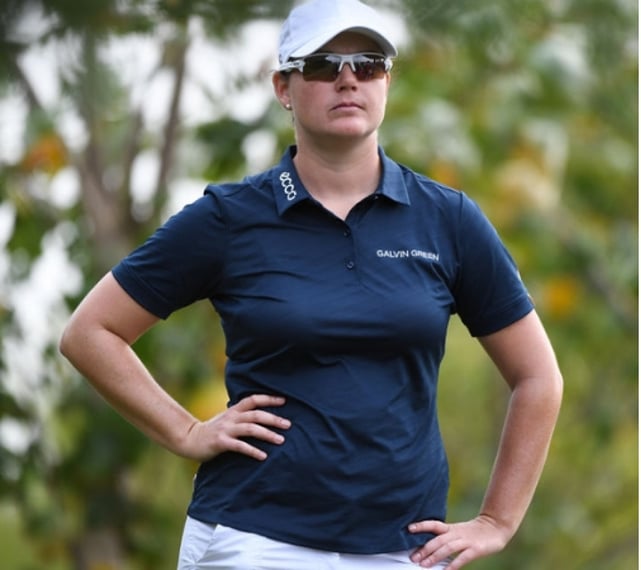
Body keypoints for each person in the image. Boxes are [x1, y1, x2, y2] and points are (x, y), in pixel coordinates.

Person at [58, 0, 563, 568]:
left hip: (404, 549)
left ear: (386, 82)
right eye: (323, 65)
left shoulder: (448, 218)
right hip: (253, 540)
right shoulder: (229, 217)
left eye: (368, 64)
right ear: (284, 87)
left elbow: (537, 376)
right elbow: (91, 332)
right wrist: (185, 431)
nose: (348, 79)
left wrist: (497, 521)